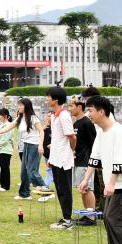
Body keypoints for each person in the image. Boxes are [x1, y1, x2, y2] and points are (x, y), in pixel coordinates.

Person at [80, 95, 122, 244]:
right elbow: (95, 157)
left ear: (102, 111)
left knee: (118, 218)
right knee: (107, 217)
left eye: (90, 110)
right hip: (112, 182)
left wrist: (111, 183)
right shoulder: (101, 132)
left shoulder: (119, 131)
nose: (88, 114)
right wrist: (86, 179)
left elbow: (121, 161)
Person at [0, 98, 49, 200]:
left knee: (32, 170)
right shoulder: (20, 118)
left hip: (34, 145)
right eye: (19, 105)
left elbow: (41, 131)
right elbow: (7, 128)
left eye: (21, 105)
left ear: (26, 106)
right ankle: (24, 194)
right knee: (24, 172)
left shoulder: (33, 118)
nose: (19, 107)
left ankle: (46, 192)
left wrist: (40, 145)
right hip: (26, 145)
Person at [44, 87, 77, 230]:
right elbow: (56, 139)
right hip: (56, 158)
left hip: (64, 159)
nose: (47, 99)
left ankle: (68, 220)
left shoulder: (64, 115)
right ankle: (65, 217)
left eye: (48, 97)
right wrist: (52, 158)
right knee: (59, 189)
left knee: (65, 190)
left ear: (55, 100)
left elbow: (71, 137)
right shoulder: (54, 116)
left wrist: (70, 151)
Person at [68, 98, 97, 224]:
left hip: (86, 161)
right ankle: (87, 214)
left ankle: (91, 217)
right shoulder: (76, 123)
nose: (70, 109)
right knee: (82, 189)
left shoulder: (86, 123)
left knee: (87, 189)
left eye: (72, 106)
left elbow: (94, 143)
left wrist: (94, 161)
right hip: (78, 160)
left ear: (80, 107)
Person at [0, 108, 15, 192]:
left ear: (6, 116)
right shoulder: (1, 125)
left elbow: (5, 140)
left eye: (0, 115)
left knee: (4, 169)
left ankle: (5, 186)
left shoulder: (9, 125)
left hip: (5, 150)